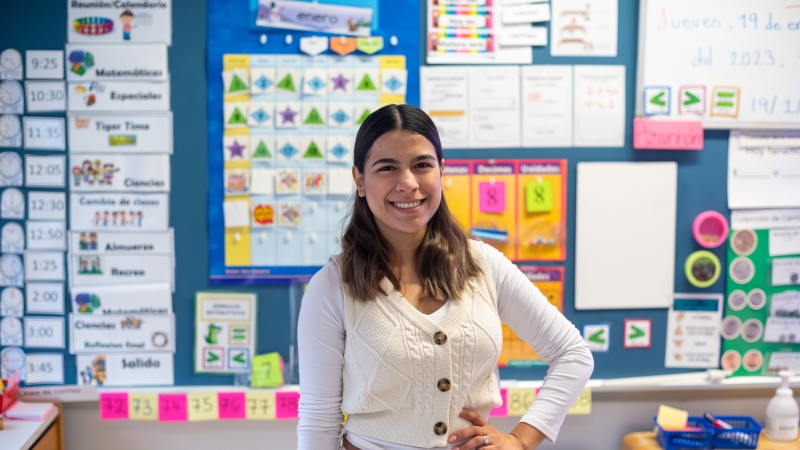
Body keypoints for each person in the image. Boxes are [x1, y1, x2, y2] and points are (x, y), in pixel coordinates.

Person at [298, 104, 593, 450]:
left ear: (441, 171)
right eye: (387, 168)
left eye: (422, 165)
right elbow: (319, 418)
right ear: (360, 180)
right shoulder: (333, 286)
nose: (407, 183)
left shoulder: (483, 264)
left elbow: (572, 354)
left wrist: (521, 441)